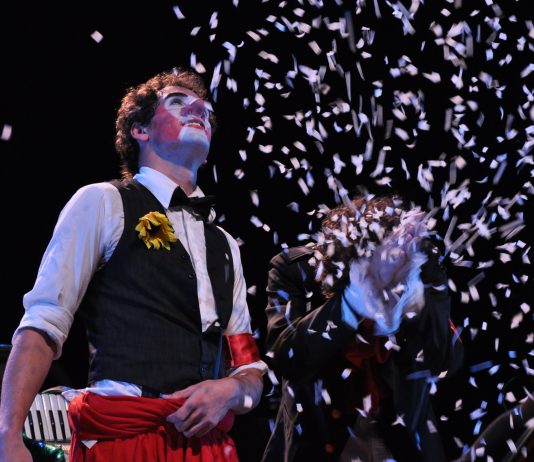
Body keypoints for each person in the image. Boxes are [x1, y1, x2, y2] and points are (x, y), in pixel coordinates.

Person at [0, 67, 265, 462]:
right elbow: (42, 325)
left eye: (205, 109)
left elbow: (248, 367)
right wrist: (9, 437)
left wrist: (232, 390)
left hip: (206, 448)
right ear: (140, 130)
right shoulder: (102, 202)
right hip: (122, 437)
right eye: (177, 102)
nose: (198, 109)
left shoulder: (226, 245)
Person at [262, 195, 463, 462]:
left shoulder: (418, 263)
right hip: (319, 442)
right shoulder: (296, 269)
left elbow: (445, 361)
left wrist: (414, 290)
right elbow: (285, 357)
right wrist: (358, 296)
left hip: (404, 443)